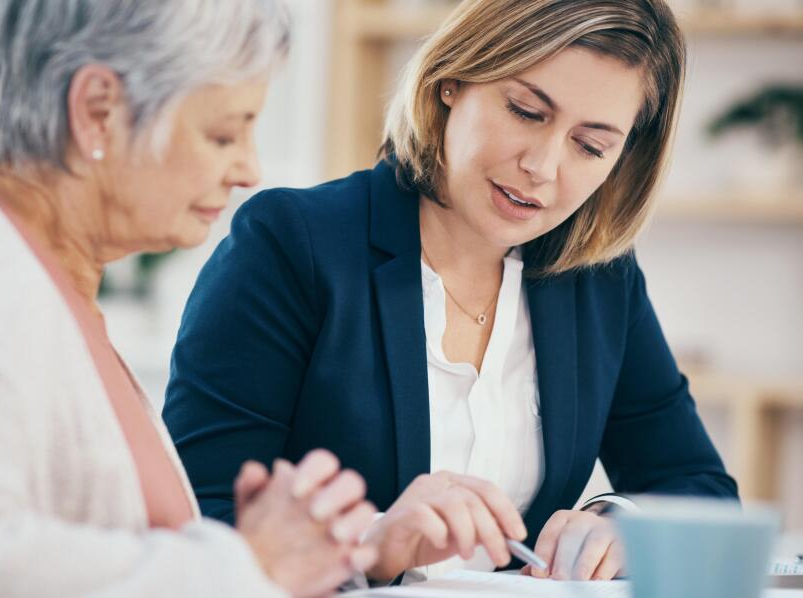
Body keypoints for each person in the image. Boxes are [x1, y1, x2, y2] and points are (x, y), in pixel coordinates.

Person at [0, 1, 377, 597]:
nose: (248, 169)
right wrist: (244, 564)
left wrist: (313, 555)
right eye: (223, 133)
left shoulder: (38, 281)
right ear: (97, 112)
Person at [163, 0, 738, 585]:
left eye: (590, 146)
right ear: (453, 81)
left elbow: (703, 493)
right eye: (526, 111)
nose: (542, 166)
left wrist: (622, 521)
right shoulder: (292, 243)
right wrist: (375, 544)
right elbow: (194, 514)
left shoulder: (599, 281)